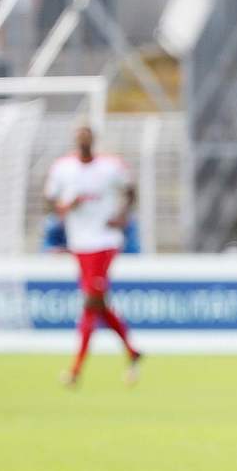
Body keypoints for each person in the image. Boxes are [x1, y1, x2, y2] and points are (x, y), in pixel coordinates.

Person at [43, 124, 142, 387]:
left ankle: (76, 369)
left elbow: (132, 190)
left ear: (93, 140)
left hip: (105, 240)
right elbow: (49, 200)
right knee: (97, 302)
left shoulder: (110, 166)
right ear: (76, 141)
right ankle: (132, 352)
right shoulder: (63, 168)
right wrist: (65, 206)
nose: (83, 140)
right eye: (79, 137)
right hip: (80, 242)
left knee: (90, 300)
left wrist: (122, 216)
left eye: (87, 136)